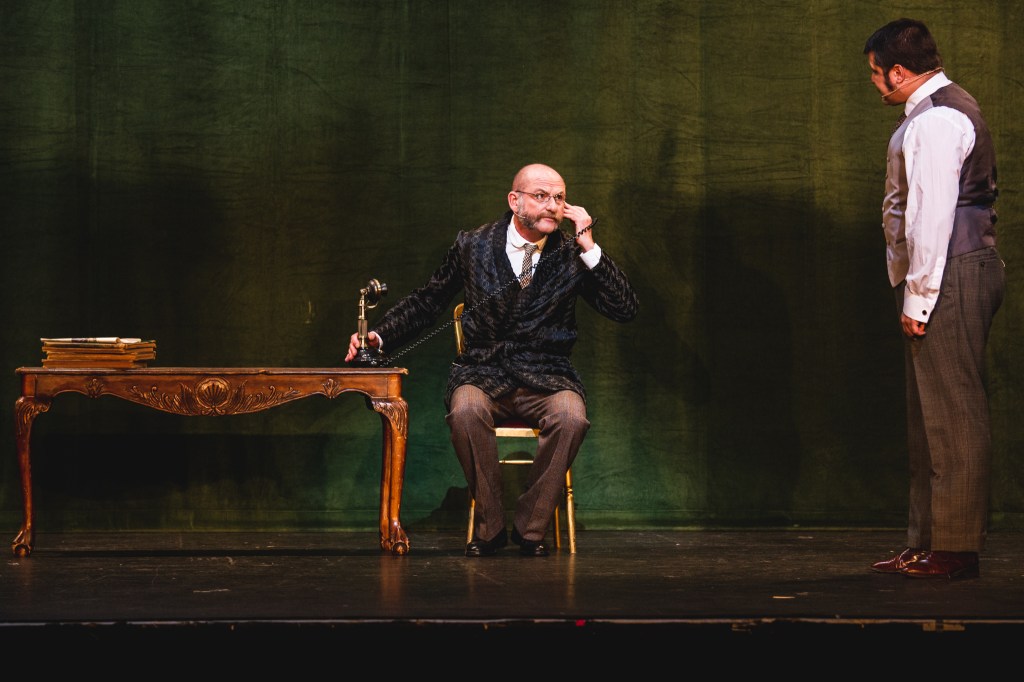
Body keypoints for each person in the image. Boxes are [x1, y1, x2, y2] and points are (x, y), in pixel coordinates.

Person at [345, 164, 639, 557]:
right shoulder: (473, 245)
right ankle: (491, 526)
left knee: (571, 417)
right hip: (483, 372)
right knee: (465, 410)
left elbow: (624, 308)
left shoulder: (572, 253)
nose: (552, 205)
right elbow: (428, 301)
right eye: (541, 196)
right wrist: (378, 336)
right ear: (514, 201)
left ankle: (531, 528)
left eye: (559, 198)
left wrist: (589, 246)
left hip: (548, 375)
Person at [864, 19, 1004, 579]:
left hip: (952, 272)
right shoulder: (932, 111)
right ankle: (926, 542)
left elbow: (931, 216)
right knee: (929, 418)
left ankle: (955, 549)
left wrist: (918, 299)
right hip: (948, 272)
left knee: (954, 413)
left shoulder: (938, 119)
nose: (874, 83)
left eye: (876, 73)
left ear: (898, 71)